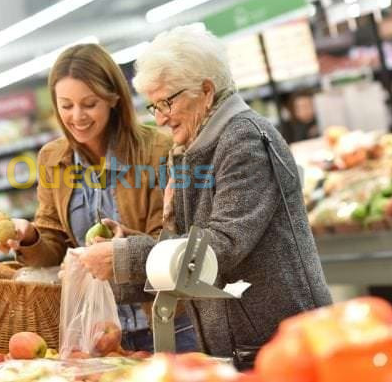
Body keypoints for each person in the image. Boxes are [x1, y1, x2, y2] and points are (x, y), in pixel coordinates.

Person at [77, 25, 332, 367]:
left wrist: (125, 258)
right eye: (153, 106)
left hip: (278, 342)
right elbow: (187, 246)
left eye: (167, 101)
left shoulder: (243, 140)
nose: (161, 118)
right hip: (241, 342)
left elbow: (220, 246)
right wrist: (125, 252)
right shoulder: (191, 147)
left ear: (207, 91)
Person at [0, 43, 197, 353]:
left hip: (166, 324)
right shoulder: (52, 158)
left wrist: (120, 251)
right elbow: (55, 243)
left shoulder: (159, 151)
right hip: (96, 330)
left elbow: (171, 240)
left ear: (113, 99)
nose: (77, 116)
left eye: (89, 103)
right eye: (66, 105)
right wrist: (26, 235)